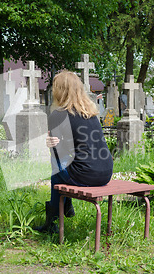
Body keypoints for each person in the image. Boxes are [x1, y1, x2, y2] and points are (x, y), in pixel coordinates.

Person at [35, 70, 114, 233]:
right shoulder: (91, 114)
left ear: (59, 91)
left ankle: (53, 220)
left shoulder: (58, 115)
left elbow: (58, 154)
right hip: (106, 172)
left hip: (85, 175)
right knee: (63, 167)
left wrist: (49, 144)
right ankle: (66, 206)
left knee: (56, 170)